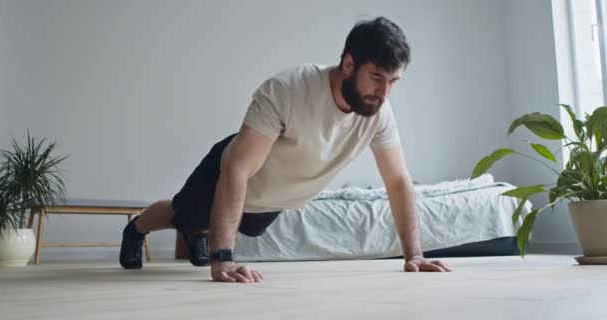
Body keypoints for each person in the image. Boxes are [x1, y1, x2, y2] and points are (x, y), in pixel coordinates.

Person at [119, 16, 452, 283]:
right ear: (348, 64)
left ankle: (199, 232)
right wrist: (224, 259)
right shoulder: (289, 89)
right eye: (377, 77)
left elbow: (397, 181)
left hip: (270, 198)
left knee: (242, 226)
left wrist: (415, 256)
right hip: (234, 169)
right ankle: (136, 228)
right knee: (182, 214)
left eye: (393, 82)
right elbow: (236, 169)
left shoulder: (379, 113)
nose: (384, 93)